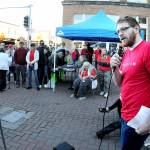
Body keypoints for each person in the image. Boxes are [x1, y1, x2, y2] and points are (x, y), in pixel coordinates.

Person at [110, 16, 150, 150]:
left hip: (139, 120)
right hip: (125, 115)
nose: (120, 33)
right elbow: (118, 83)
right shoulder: (126, 53)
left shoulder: (147, 49)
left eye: (124, 29)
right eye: (118, 31)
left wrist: (149, 123)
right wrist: (114, 68)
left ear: (136, 28)